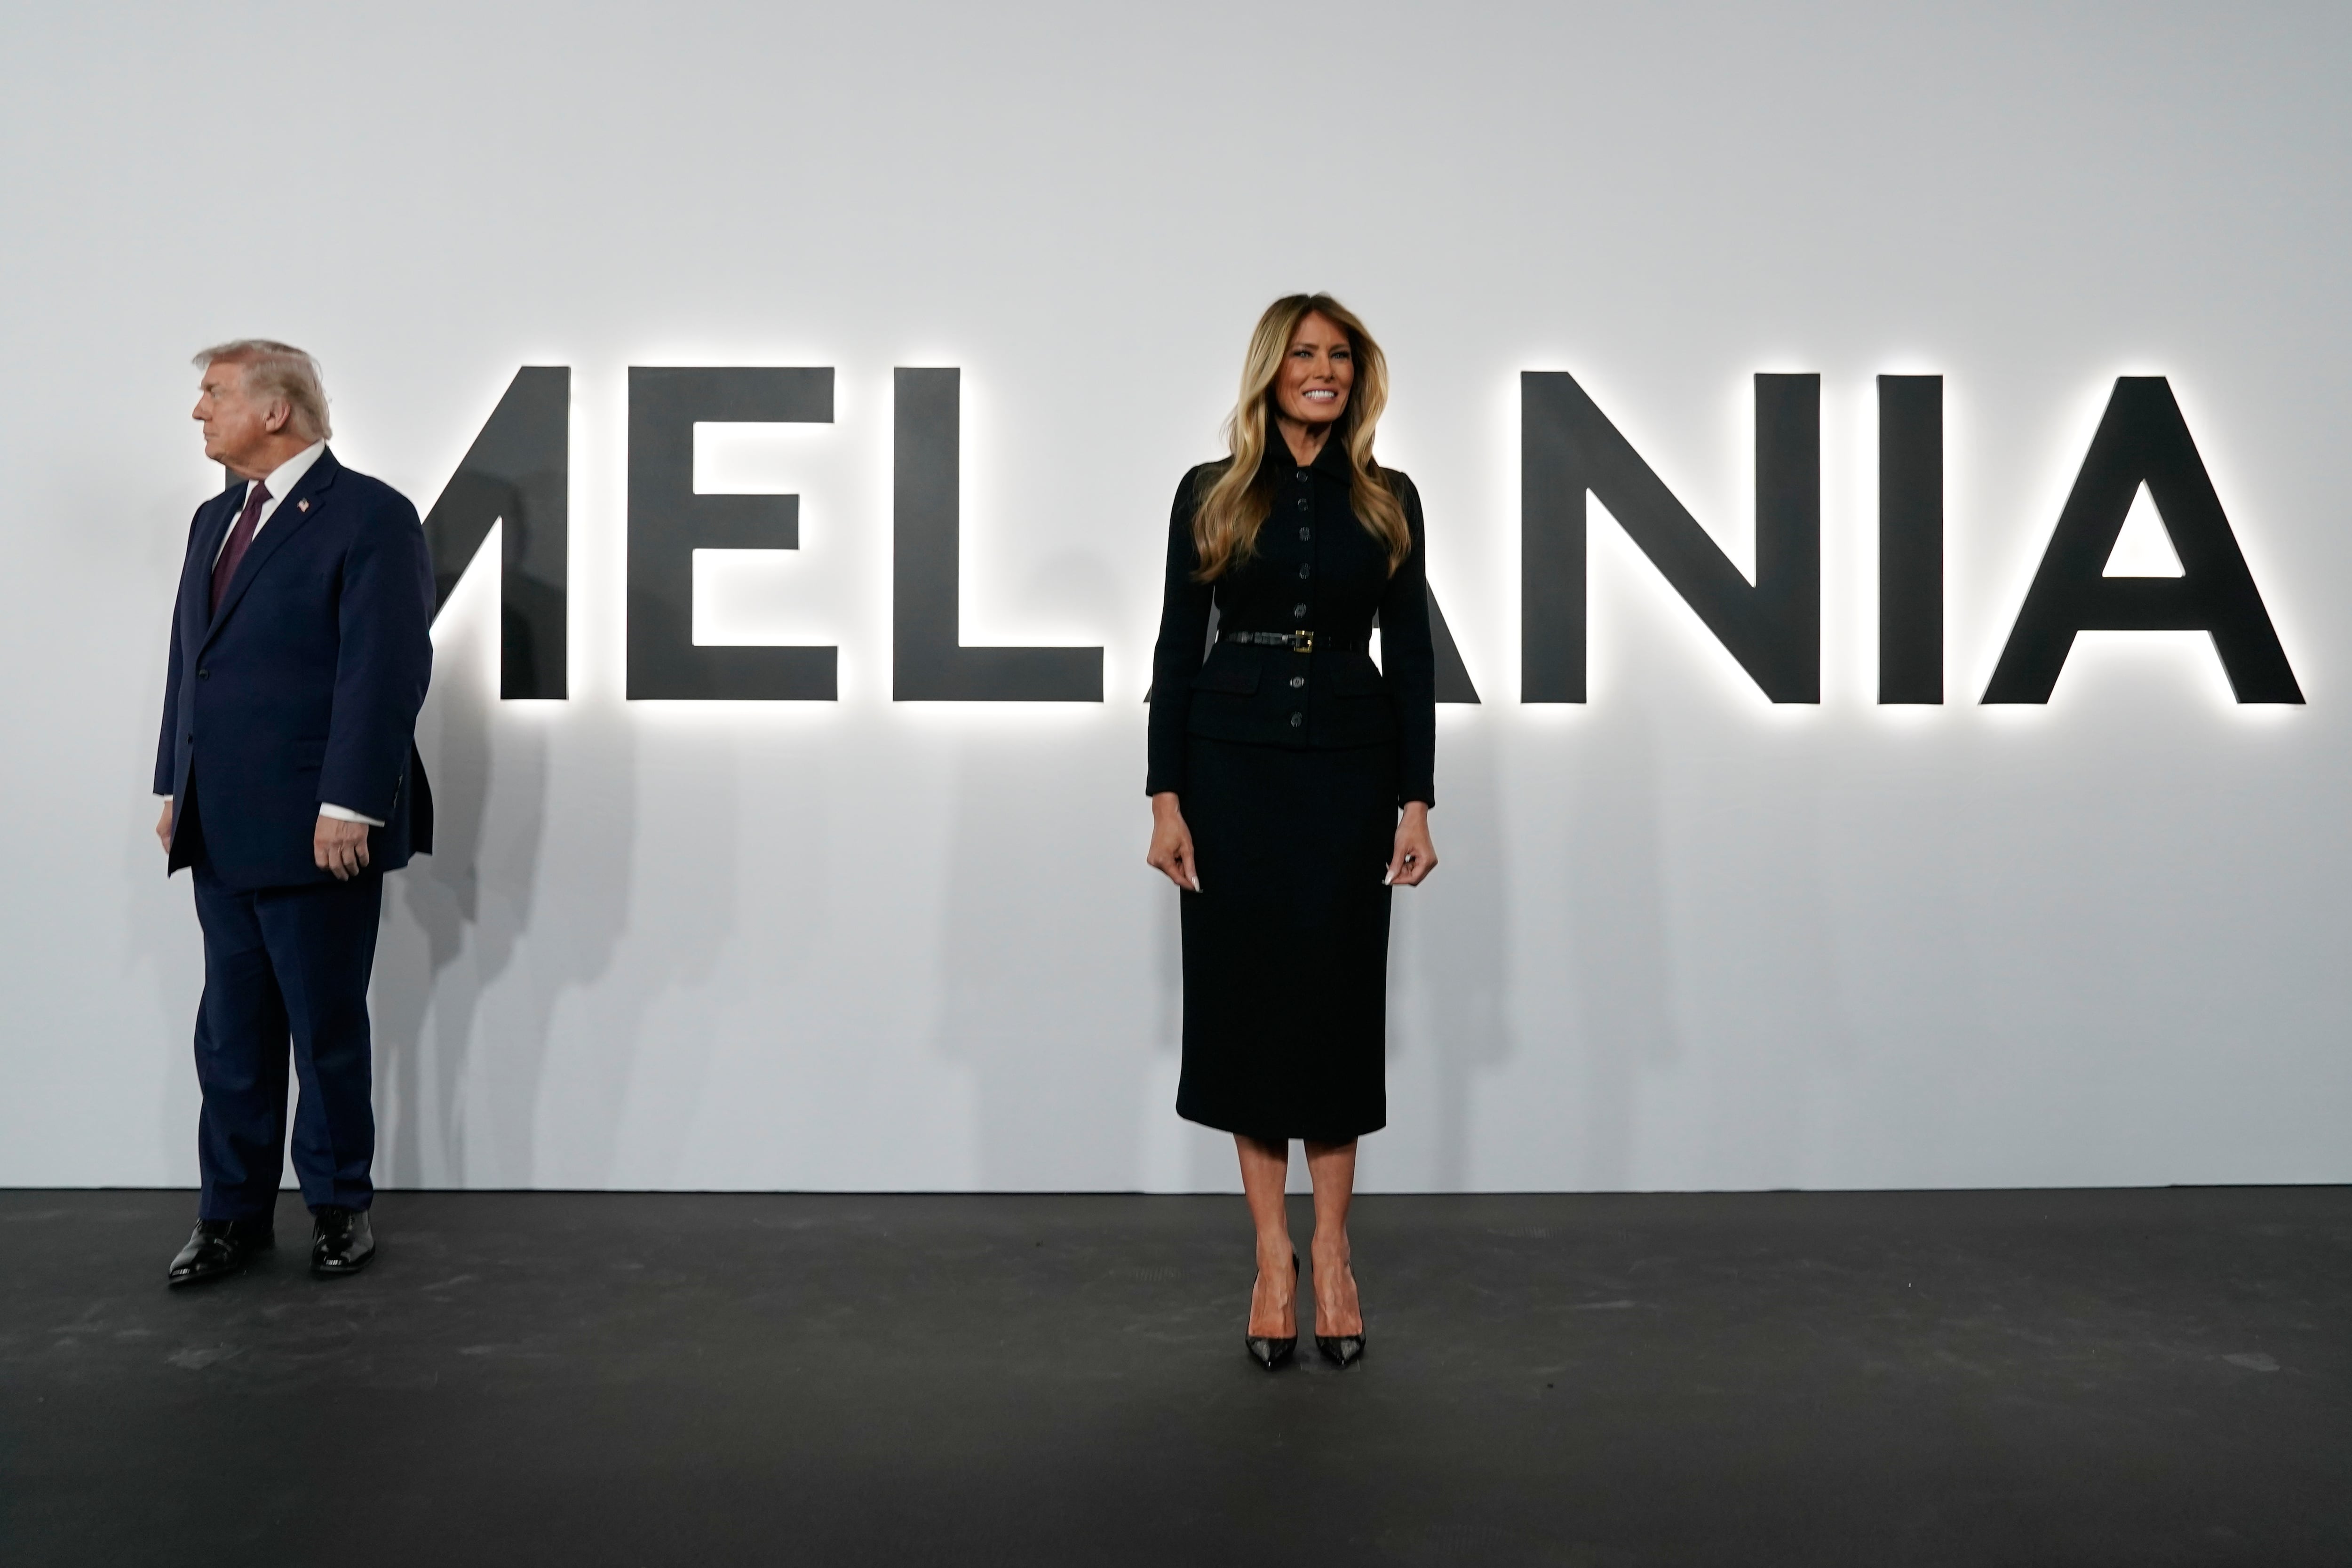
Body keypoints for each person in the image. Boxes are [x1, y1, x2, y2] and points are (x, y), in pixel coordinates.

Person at [1145, 294, 1438, 1369]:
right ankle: (1272, 1257)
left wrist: (1417, 799)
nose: (1324, 372)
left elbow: (1409, 658)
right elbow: (1179, 648)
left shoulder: (1389, 497)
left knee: (1331, 1006)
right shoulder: (1210, 491)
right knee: (1245, 1009)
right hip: (1231, 776)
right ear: (1272, 370)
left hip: (1349, 777)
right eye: (1306, 355)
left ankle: (1335, 1250)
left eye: (1341, 359)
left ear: (1358, 379)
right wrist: (1166, 798)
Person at [152, 341, 435, 1285]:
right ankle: (228, 1215)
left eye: (215, 394)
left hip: (322, 822)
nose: (199, 411)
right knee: (230, 1030)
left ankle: (337, 1206)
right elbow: (190, 661)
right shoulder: (213, 520)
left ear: (276, 411)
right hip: (221, 818)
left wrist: (351, 799)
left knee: (323, 1025)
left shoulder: (371, 515)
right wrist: (171, 783)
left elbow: (383, 671)